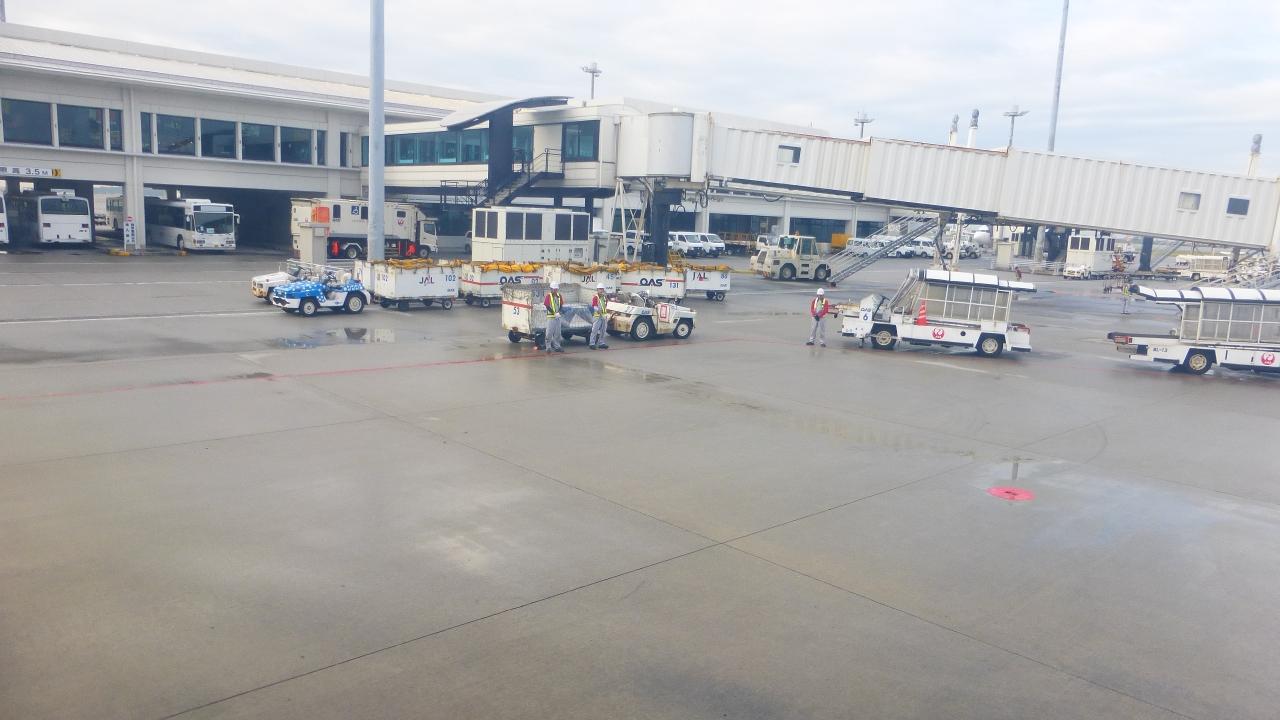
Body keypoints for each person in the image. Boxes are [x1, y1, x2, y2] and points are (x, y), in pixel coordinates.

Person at [543, 282, 564, 353]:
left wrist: (559, 312)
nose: (555, 291)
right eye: (554, 289)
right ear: (551, 289)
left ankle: (557, 346)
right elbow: (547, 306)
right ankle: (548, 347)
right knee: (549, 333)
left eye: (556, 289)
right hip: (551, 317)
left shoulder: (559, 296)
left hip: (558, 317)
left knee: (558, 333)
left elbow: (561, 305)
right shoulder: (548, 296)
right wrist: (554, 313)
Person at [589, 283, 610, 350]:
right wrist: (601, 314)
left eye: (602, 289)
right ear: (597, 290)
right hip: (597, 316)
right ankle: (592, 343)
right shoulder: (595, 297)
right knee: (594, 330)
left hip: (604, 316)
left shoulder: (604, 297)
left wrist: (606, 314)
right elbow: (595, 307)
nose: (601, 290)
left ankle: (601, 343)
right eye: (600, 289)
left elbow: (606, 305)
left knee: (603, 330)